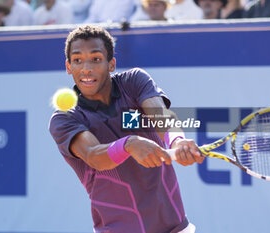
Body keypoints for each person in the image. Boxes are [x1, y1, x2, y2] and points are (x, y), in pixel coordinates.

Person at [49, 25, 204, 233]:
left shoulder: (133, 82)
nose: (86, 68)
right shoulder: (64, 118)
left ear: (111, 64)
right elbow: (94, 156)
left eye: (96, 59)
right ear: (68, 66)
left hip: (175, 227)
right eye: (77, 60)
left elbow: (161, 117)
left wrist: (177, 141)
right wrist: (129, 144)